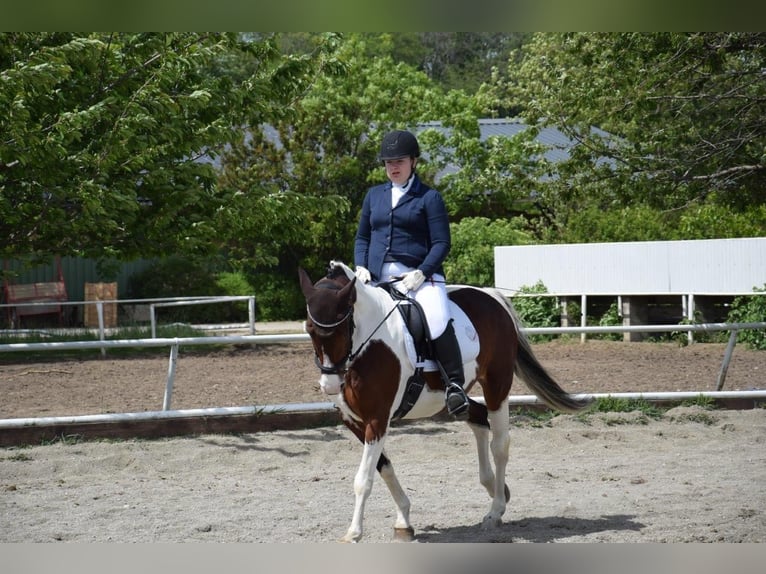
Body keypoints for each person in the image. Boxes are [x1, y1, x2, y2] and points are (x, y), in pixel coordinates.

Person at [353, 129, 470, 420]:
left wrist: (422, 272)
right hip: (378, 278)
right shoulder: (374, 196)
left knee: (437, 318)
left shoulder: (429, 197)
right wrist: (361, 265)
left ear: (413, 162)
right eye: (388, 162)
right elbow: (363, 237)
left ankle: (454, 385)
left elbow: (442, 242)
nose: (393, 167)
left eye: (400, 161)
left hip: (420, 277)